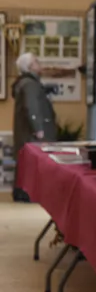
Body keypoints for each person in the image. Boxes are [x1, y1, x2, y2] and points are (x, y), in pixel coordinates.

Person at [11, 53, 57, 202]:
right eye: (36, 61)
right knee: (33, 163)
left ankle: (22, 192)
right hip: (33, 133)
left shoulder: (25, 83)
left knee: (26, 162)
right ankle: (25, 194)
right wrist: (38, 128)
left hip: (27, 132)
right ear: (30, 67)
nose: (39, 63)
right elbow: (32, 107)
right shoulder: (30, 84)